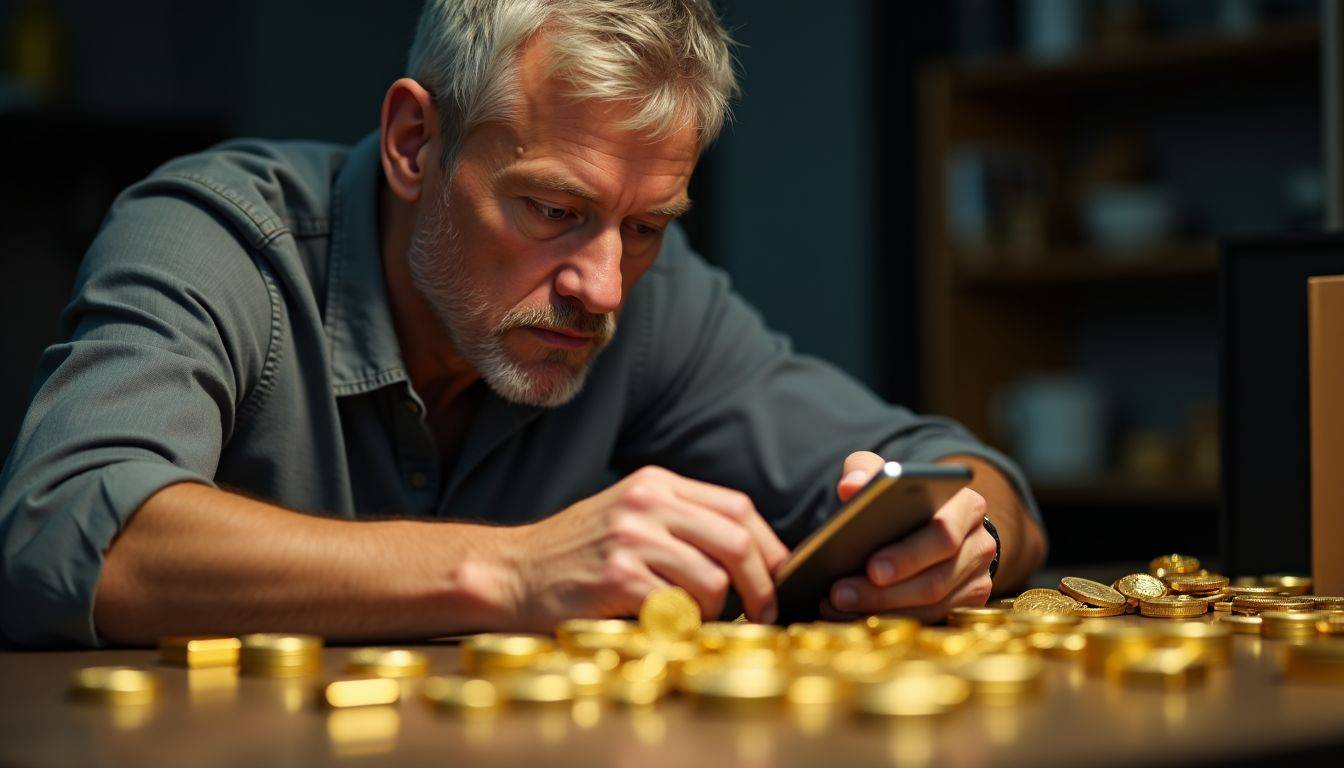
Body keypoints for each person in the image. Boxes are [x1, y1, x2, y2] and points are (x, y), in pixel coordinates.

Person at [0, 0, 1046, 647]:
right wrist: (513, 569)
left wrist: (962, 537)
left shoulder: (652, 291)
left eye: (644, 225)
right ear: (416, 142)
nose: (603, 285)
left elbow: (968, 473)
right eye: (554, 210)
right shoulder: (215, 235)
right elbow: (66, 530)